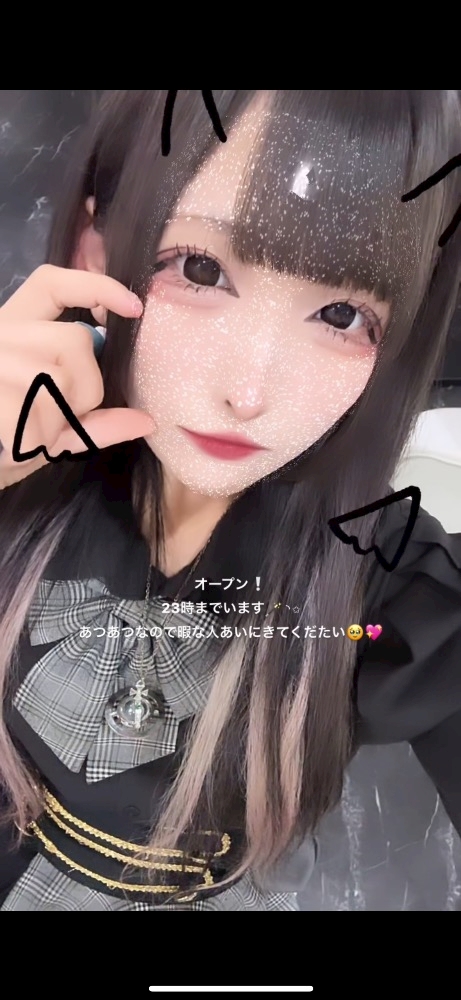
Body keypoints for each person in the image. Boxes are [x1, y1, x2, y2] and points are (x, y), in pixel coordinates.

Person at [0, 90, 460, 912]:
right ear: (94, 253)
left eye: (341, 314)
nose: (248, 394)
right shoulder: (22, 459)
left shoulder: (391, 582)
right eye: (200, 269)